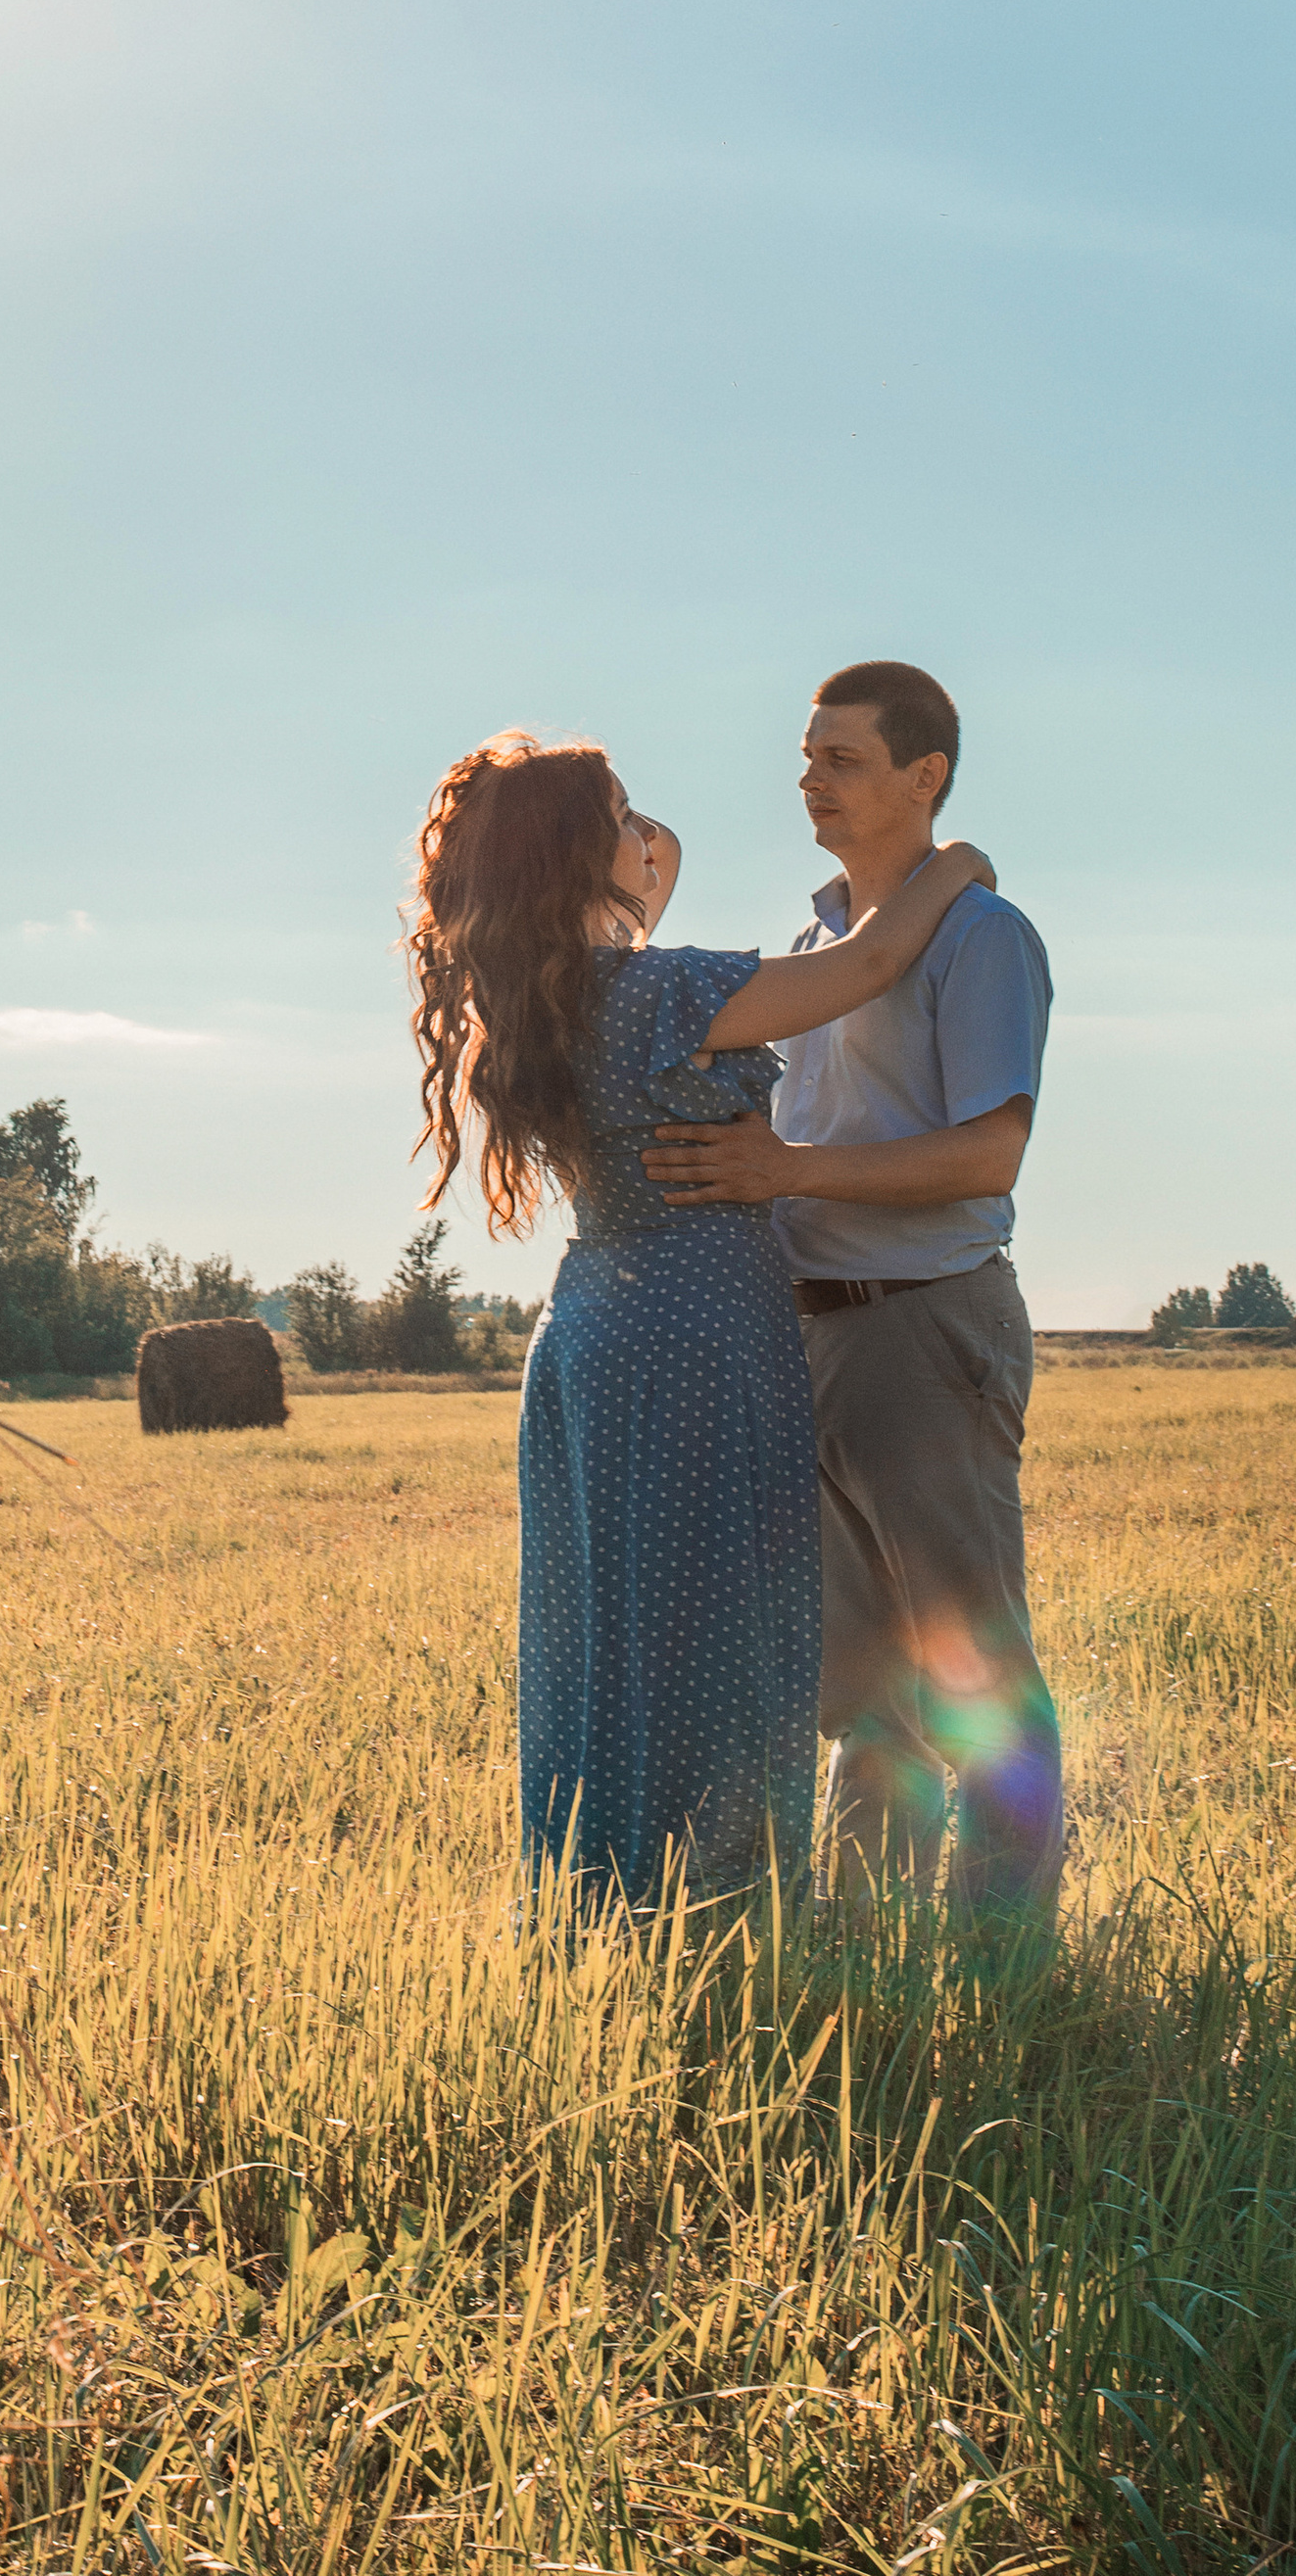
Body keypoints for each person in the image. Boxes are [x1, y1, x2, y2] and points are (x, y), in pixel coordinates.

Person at [407, 729, 995, 1912]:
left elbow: (637, 905)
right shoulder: (669, 991)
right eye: (624, 821)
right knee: (714, 1636)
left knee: (611, 1635)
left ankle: (611, 1897)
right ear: (577, 860)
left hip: (593, 1330)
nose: (650, 838)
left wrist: (620, 862)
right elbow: (871, 963)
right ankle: (719, 1905)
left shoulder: (537, 1005)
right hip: (698, 1331)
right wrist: (958, 864)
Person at [643, 661, 1060, 1932]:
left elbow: (990, 1154)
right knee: (863, 1686)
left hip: (927, 1328)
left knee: (976, 1677)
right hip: (813, 1343)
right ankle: (861, 1958)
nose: (811, 779)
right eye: (809, 756)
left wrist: (783, 1170)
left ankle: (1005, 1975)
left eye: (845, 760)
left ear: (925, 778)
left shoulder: (988, 939)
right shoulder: (822, 946)